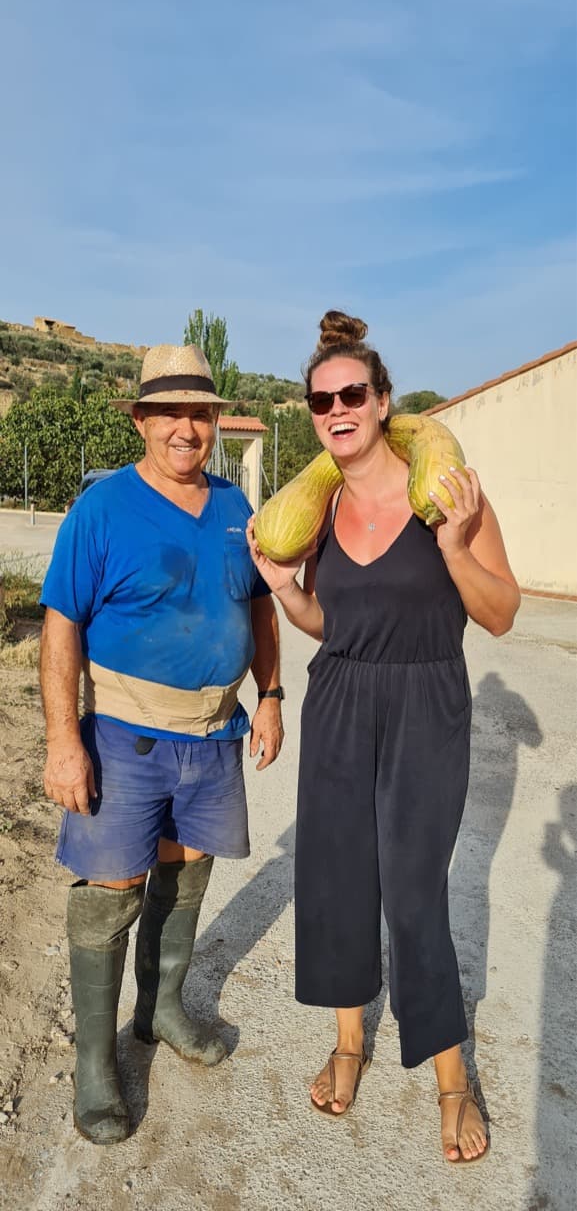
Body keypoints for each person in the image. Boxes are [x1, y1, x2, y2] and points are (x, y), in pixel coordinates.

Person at [247, 310, 520, 1163]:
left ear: (384, 402)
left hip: (425, 705)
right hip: (338, 701)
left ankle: (449, 1076)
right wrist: (287, 595)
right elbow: (334, 625)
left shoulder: (451, 491)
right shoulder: (315, 509)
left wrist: (451, 548)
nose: (337, 407)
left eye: (352, 393)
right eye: (321, 398)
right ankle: (348, 1041)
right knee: (334, 880)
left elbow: (502, 613)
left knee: (411, 893)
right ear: (312, 411)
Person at [40, 343, 284, 1146]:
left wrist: (272, 696)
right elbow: (62, 625)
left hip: (213, 736)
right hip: (123, 737)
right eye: (170, 412)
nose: (188, 427)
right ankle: (95, 1061)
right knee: (110, 894)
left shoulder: (233, 511)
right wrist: (63, 740)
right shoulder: (102, 509)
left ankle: (161, 1008)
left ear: (215, 423)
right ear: (141, 420)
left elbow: (259, 612)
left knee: (184, 879)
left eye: (201, 413)